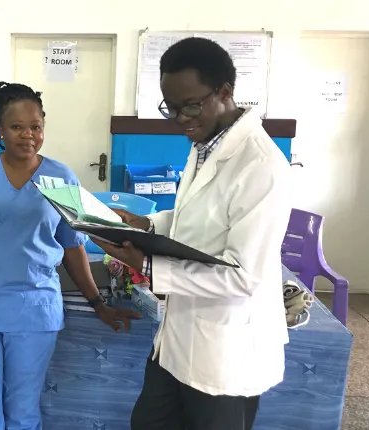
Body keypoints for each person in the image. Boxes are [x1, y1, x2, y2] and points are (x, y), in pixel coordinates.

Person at [93, 37, 291, 430]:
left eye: (190, 105)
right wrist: (147, 224)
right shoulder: (204, 143)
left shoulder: (262, 165)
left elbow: (243, 277)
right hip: (177, 341)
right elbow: (201, 218)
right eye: (172, 108)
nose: (181, 118)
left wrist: (148, 265)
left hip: (226, 354)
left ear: (225, 92)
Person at [0, 82, 141, 430]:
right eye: (17, 127)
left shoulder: (61, 177)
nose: (28, 135)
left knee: (23, 415)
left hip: (35, 307)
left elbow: (72, 246)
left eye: (36, 127)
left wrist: (97, 302)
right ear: (0, 130)